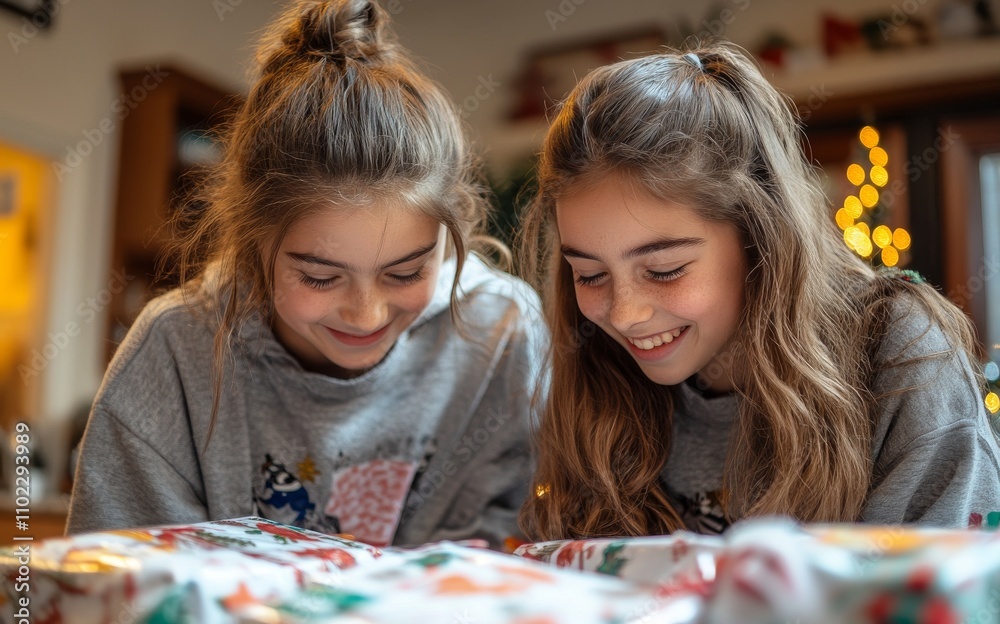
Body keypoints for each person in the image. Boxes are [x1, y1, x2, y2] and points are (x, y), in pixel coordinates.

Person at [67, 0, 546, 550]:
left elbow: (538, 550)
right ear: (253, 240)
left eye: (406, 272)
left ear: (453, 227)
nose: (366, 315)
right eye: (320, 277)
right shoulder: (176, 353)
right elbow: (111, 587)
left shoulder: (504, 334)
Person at [517, 41, 1000, 540]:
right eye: (589, 275)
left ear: (759, 236)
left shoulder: (899, 350)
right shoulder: (594, 375)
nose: (624, 314)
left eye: (664, 270)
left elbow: (941, 580)